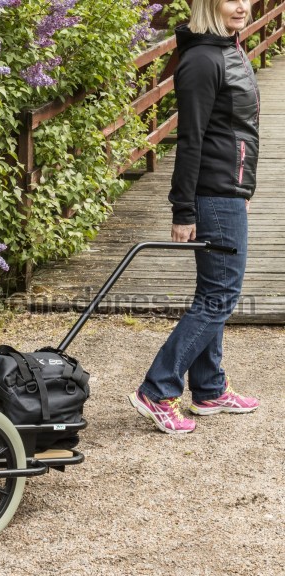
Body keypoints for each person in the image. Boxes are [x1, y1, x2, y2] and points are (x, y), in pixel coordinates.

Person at [128, 0, 260, 433]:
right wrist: (183, 208)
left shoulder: (227, 48)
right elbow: (191, 140)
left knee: (214, 290)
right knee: (220, 295)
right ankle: (158, 388)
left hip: (228, 189)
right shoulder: (203, 59)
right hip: (212, 192)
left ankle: (209, 388)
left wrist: (242, 187)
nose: (242, 6)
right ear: (209, 4)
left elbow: (233, 130)